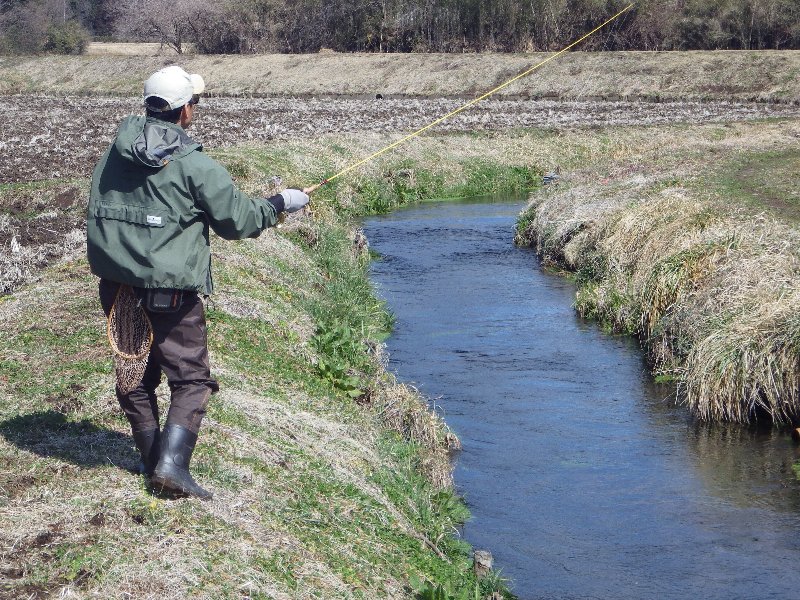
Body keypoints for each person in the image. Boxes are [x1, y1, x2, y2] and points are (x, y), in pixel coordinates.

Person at [87, 66, 310, 500]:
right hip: (170, 290)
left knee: (134, 375)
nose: (196, 110)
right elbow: (238, 221)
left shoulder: (112, 154)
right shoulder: (193, 163)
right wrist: (281, 203)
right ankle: (170, 468)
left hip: (117, 287)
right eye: (196, 103)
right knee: (191, 379)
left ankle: (152, 459)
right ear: (184, 110)